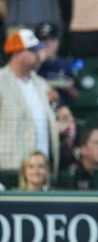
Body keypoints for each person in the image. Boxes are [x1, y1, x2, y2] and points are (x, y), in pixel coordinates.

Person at [0, 29, 58, 172]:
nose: (38, 55)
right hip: (10, 164)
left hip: (42, 169)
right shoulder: (1, 81)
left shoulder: (41, 84)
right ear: (17, 53)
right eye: (33, 50)